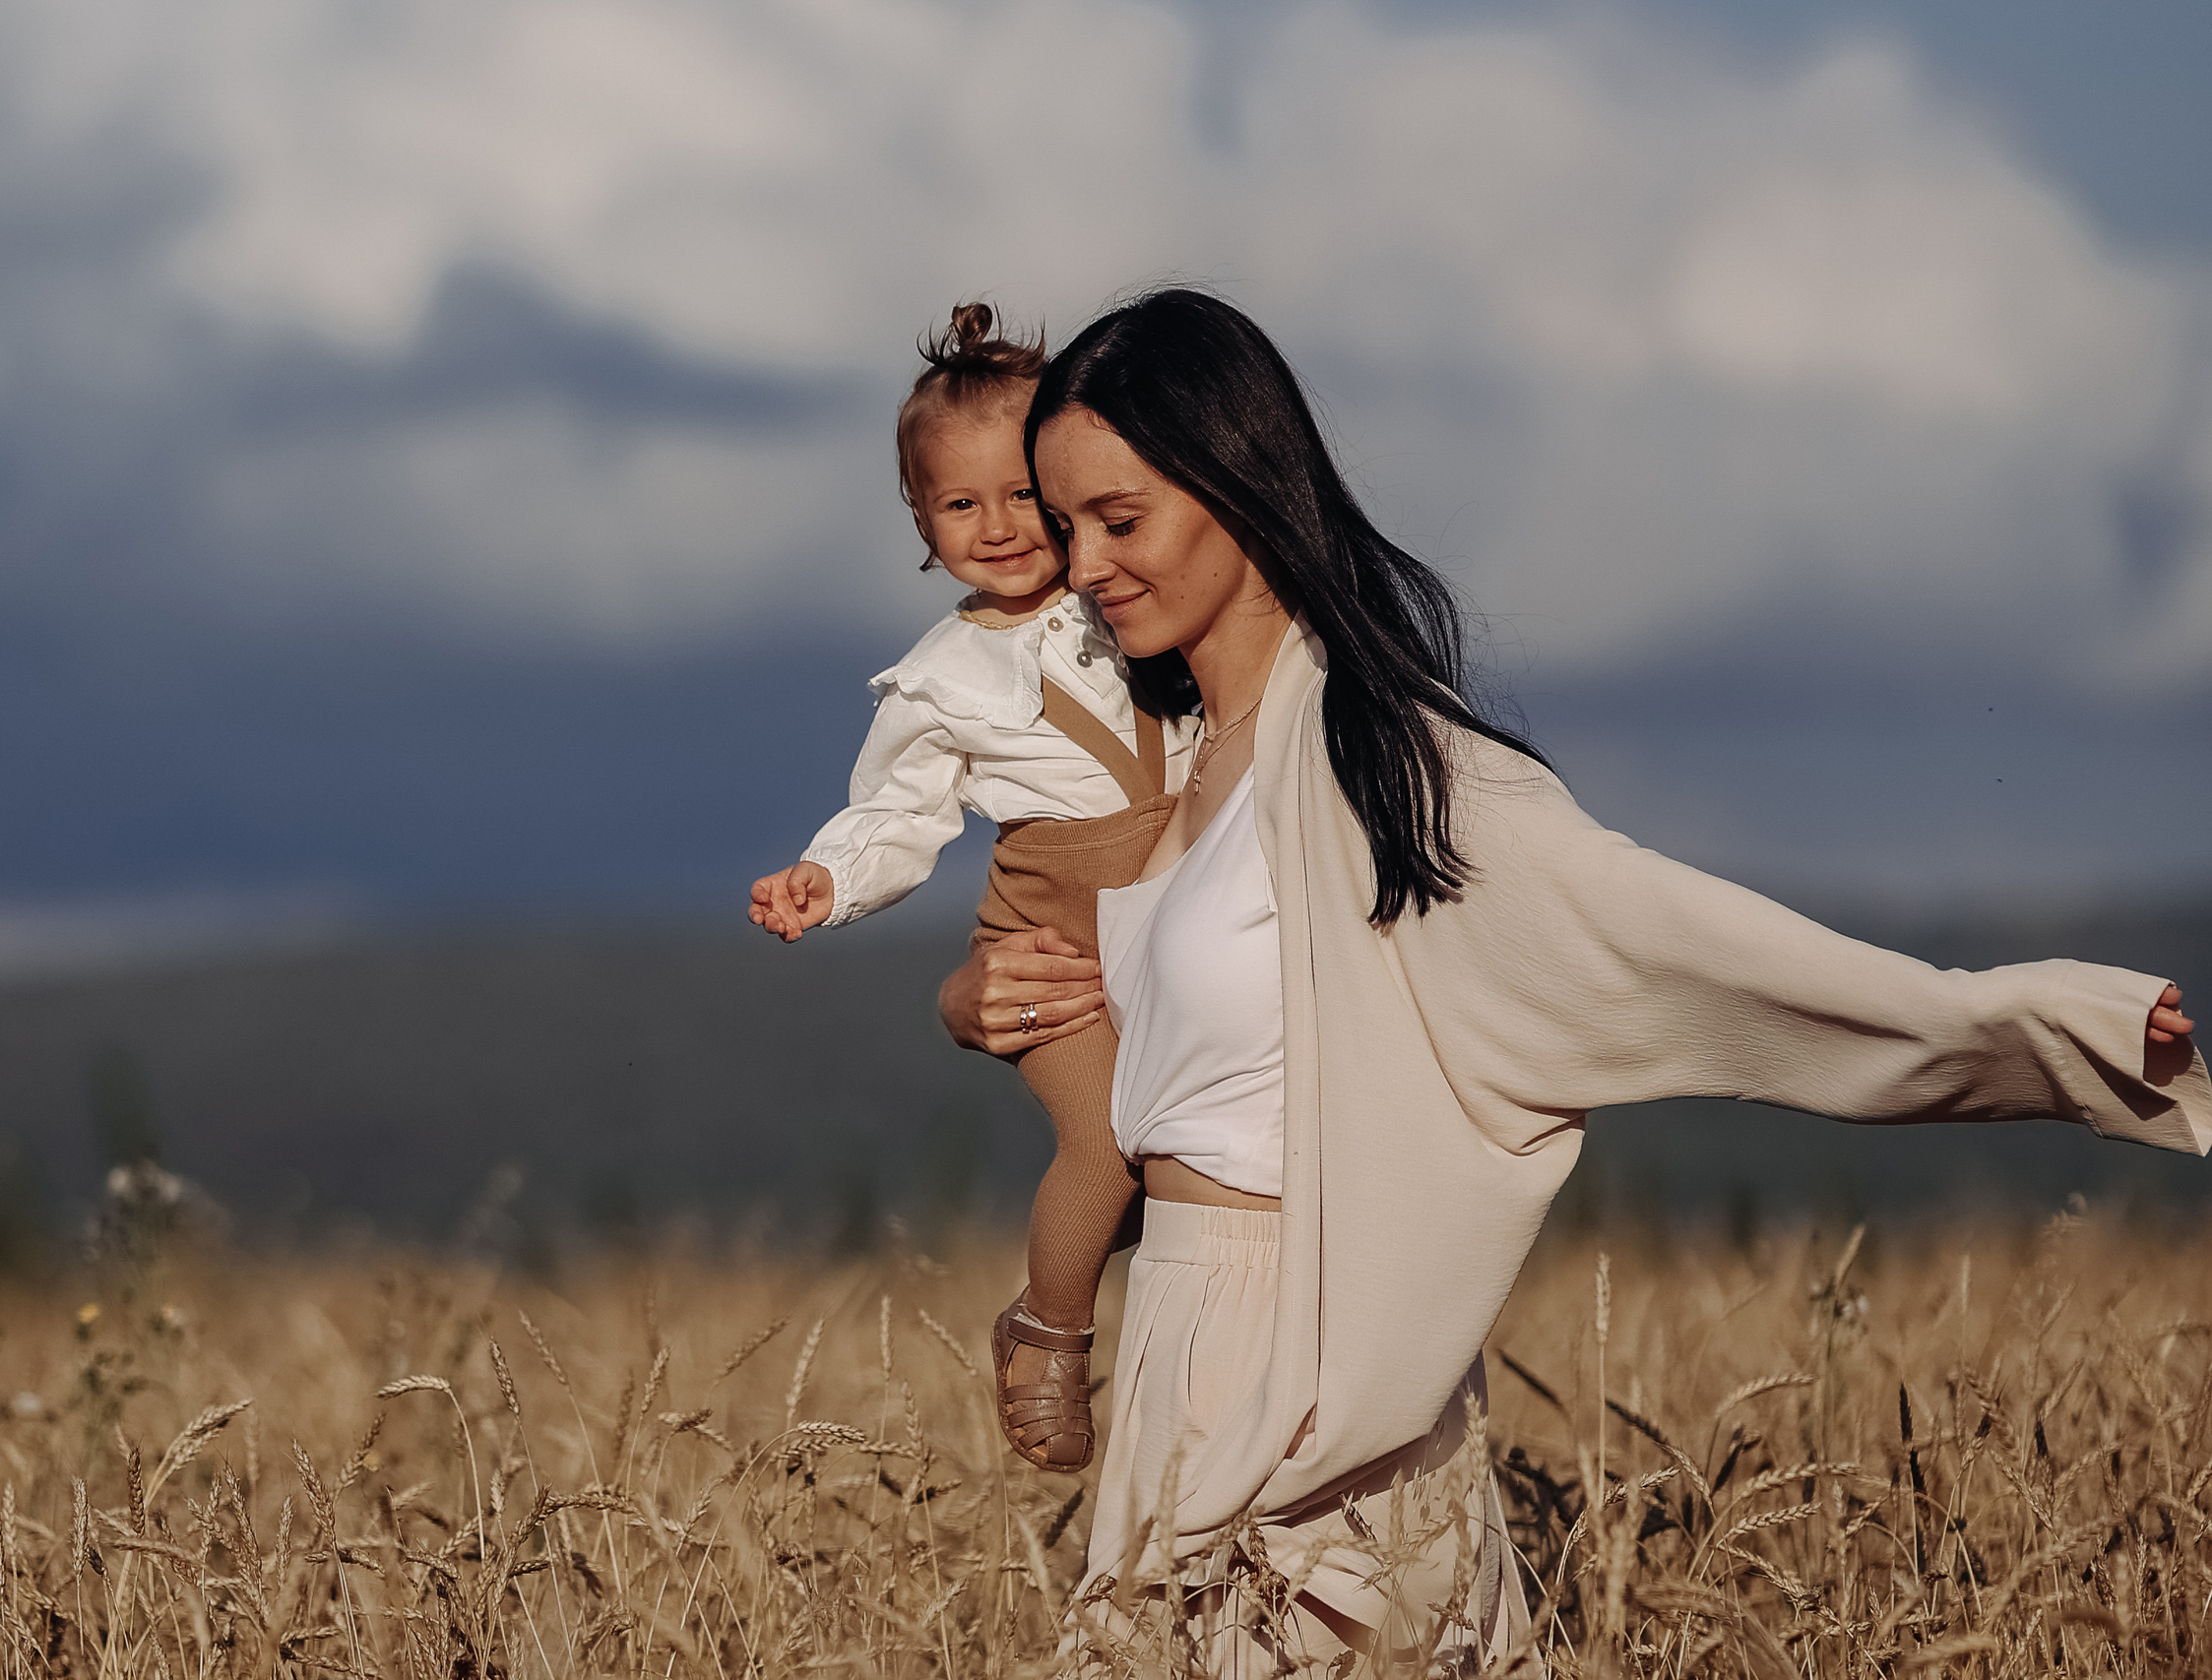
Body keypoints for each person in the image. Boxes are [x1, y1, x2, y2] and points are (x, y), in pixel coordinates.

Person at [935, 287, 2209, 1676]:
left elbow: (1677, 934)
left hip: (1307, 1364)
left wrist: (2037, 1021)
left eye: (1124, 518)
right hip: (1174, 1328)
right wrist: (971, 1003)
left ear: (1239, 483)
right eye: (1066, 527)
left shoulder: (1382, 760)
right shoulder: (1166, 758)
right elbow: (1103, 1017)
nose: (1087, 561)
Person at [746, 302, 1192, 1474]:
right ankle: (1047, 1337)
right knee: (1104, 1149)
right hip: (1050, 960)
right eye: (959, 504)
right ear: (919, 517)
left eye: (1022, 497)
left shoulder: (1134, 606)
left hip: (1168, 935)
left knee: (1176, 1168)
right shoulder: (942, 681)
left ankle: (1092, 1288)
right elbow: (899, 812)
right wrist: (825, 878)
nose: (997, 528)